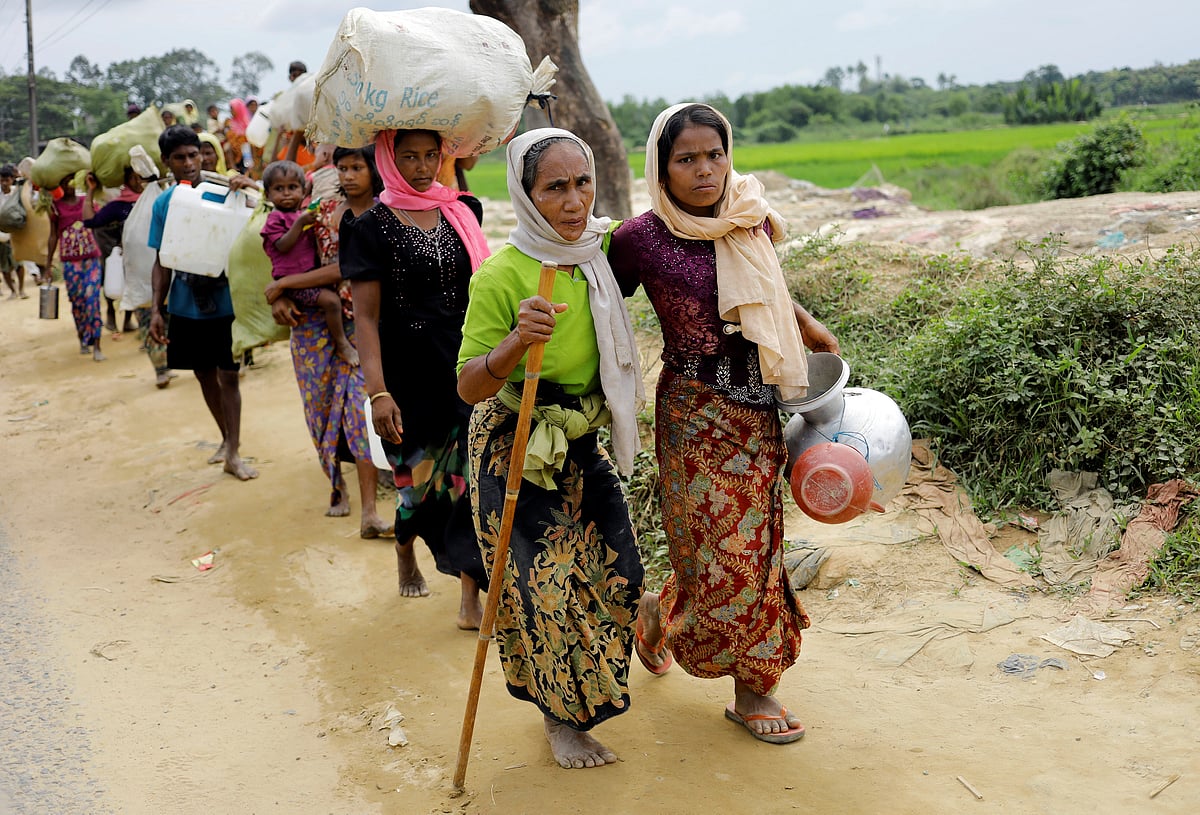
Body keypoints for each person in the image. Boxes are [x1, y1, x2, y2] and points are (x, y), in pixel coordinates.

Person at [609, 103, 840, 745]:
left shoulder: (751, 215)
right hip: (693, 414)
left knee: (758, 548)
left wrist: (809, 328)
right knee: (718, 551)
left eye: (715, 154)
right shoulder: (639, 239)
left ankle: (746, 679)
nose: (705, 170)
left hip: (757, 408)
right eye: (687, 159)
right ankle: (743, 677)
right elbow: (597, 298)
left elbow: (764, 287)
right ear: (662, 167)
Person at [456, 128, 645, 770]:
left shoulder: (606, 252)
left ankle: (605, 670)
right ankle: (563, 720)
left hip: (580, 434)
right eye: (555, 188)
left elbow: (676, 239)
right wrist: (513, 344)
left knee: (622, 570)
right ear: (526, 195)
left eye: (582, 183)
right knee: (543, 588)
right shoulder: (503, 275)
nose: (573, 202)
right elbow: (468, 383)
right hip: (514, 444)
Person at [340, 128, 488, 629]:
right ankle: (405, 547)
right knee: (416, 488)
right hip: (406, 376)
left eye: (431, 155)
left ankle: (470, 596)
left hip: (464, 366)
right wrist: (378, 393)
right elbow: (365, 319)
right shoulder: (370, 228)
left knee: (469, 484)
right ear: (388, 158)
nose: (423, 167)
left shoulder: (462, 212)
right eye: (409, 157)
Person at [269, 144, 391, 537]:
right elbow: (284, 253)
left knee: (362, 412)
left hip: (365, 324)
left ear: (374, 169)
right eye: (342, 167)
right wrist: (283, 292)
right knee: (318, 407)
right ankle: (336, 485)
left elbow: (344, 266)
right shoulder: (319, 212)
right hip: (313, 321)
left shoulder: (387, 212)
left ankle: (369, 511)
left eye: (357, 166)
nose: (349, 175)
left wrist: (284, 285)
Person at [148, 125, 258, 480]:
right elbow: (161, 260)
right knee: (203, 374)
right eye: (179, 158)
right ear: (167, 162)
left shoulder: (226, 191)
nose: (189, 163)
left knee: (229, 375)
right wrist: (156, 309)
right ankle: (226, 439)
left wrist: (249, 187)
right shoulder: (164, 203)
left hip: (226, 299)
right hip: (184, 303)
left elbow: (265, 216)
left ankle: (235, 452)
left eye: (193, 155)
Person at [261, 159, 357, 366]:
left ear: (304, 191)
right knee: (331, 302)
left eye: (292, 188)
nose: (286, 194)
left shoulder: (303, 215)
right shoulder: (275, 219)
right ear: (268, 194)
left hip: (309, 277)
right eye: (279, 189)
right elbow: (282, 246)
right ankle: (342, 344)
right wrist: (299, 224)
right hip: (293, 282)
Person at [48, 171, 106, 361]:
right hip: (70, 262)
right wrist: (48, 264)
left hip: (91, 259)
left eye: (72, 182)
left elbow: (97, 220)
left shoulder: (86, 202)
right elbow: (53, 235)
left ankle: (97, 344)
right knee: (78, 301)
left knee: (93, 300)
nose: (69, 186)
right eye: (65, 183)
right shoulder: (55, 207)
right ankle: (82, 337)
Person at [83, 168, 141, 334]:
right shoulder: (119, 206)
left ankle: (130, 320)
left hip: (141, 258)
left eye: (140, 178)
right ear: (125, 181)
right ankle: (110, 312)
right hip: (113, 244)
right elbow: (89, 221)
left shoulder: (152, 201)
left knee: (135, 287)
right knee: (112, 277)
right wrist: (91, 190)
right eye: (132, 178)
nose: (137, 182)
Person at [9, 159, 51, 287]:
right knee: (28, 248)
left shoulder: (44, 185)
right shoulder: (21, 186)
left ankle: (44, 273)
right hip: (27, 223)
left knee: (43, 247)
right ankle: (36, 274)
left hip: (42, 223)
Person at [0, 164, 22, 299]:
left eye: (6, 180)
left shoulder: (17, 193)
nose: (3, 183)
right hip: (1, 235)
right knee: (4, 266)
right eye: (1, 180)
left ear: (12, 180)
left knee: (19, 263)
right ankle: (13, 291)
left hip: (15, 233)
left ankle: (21, 289)